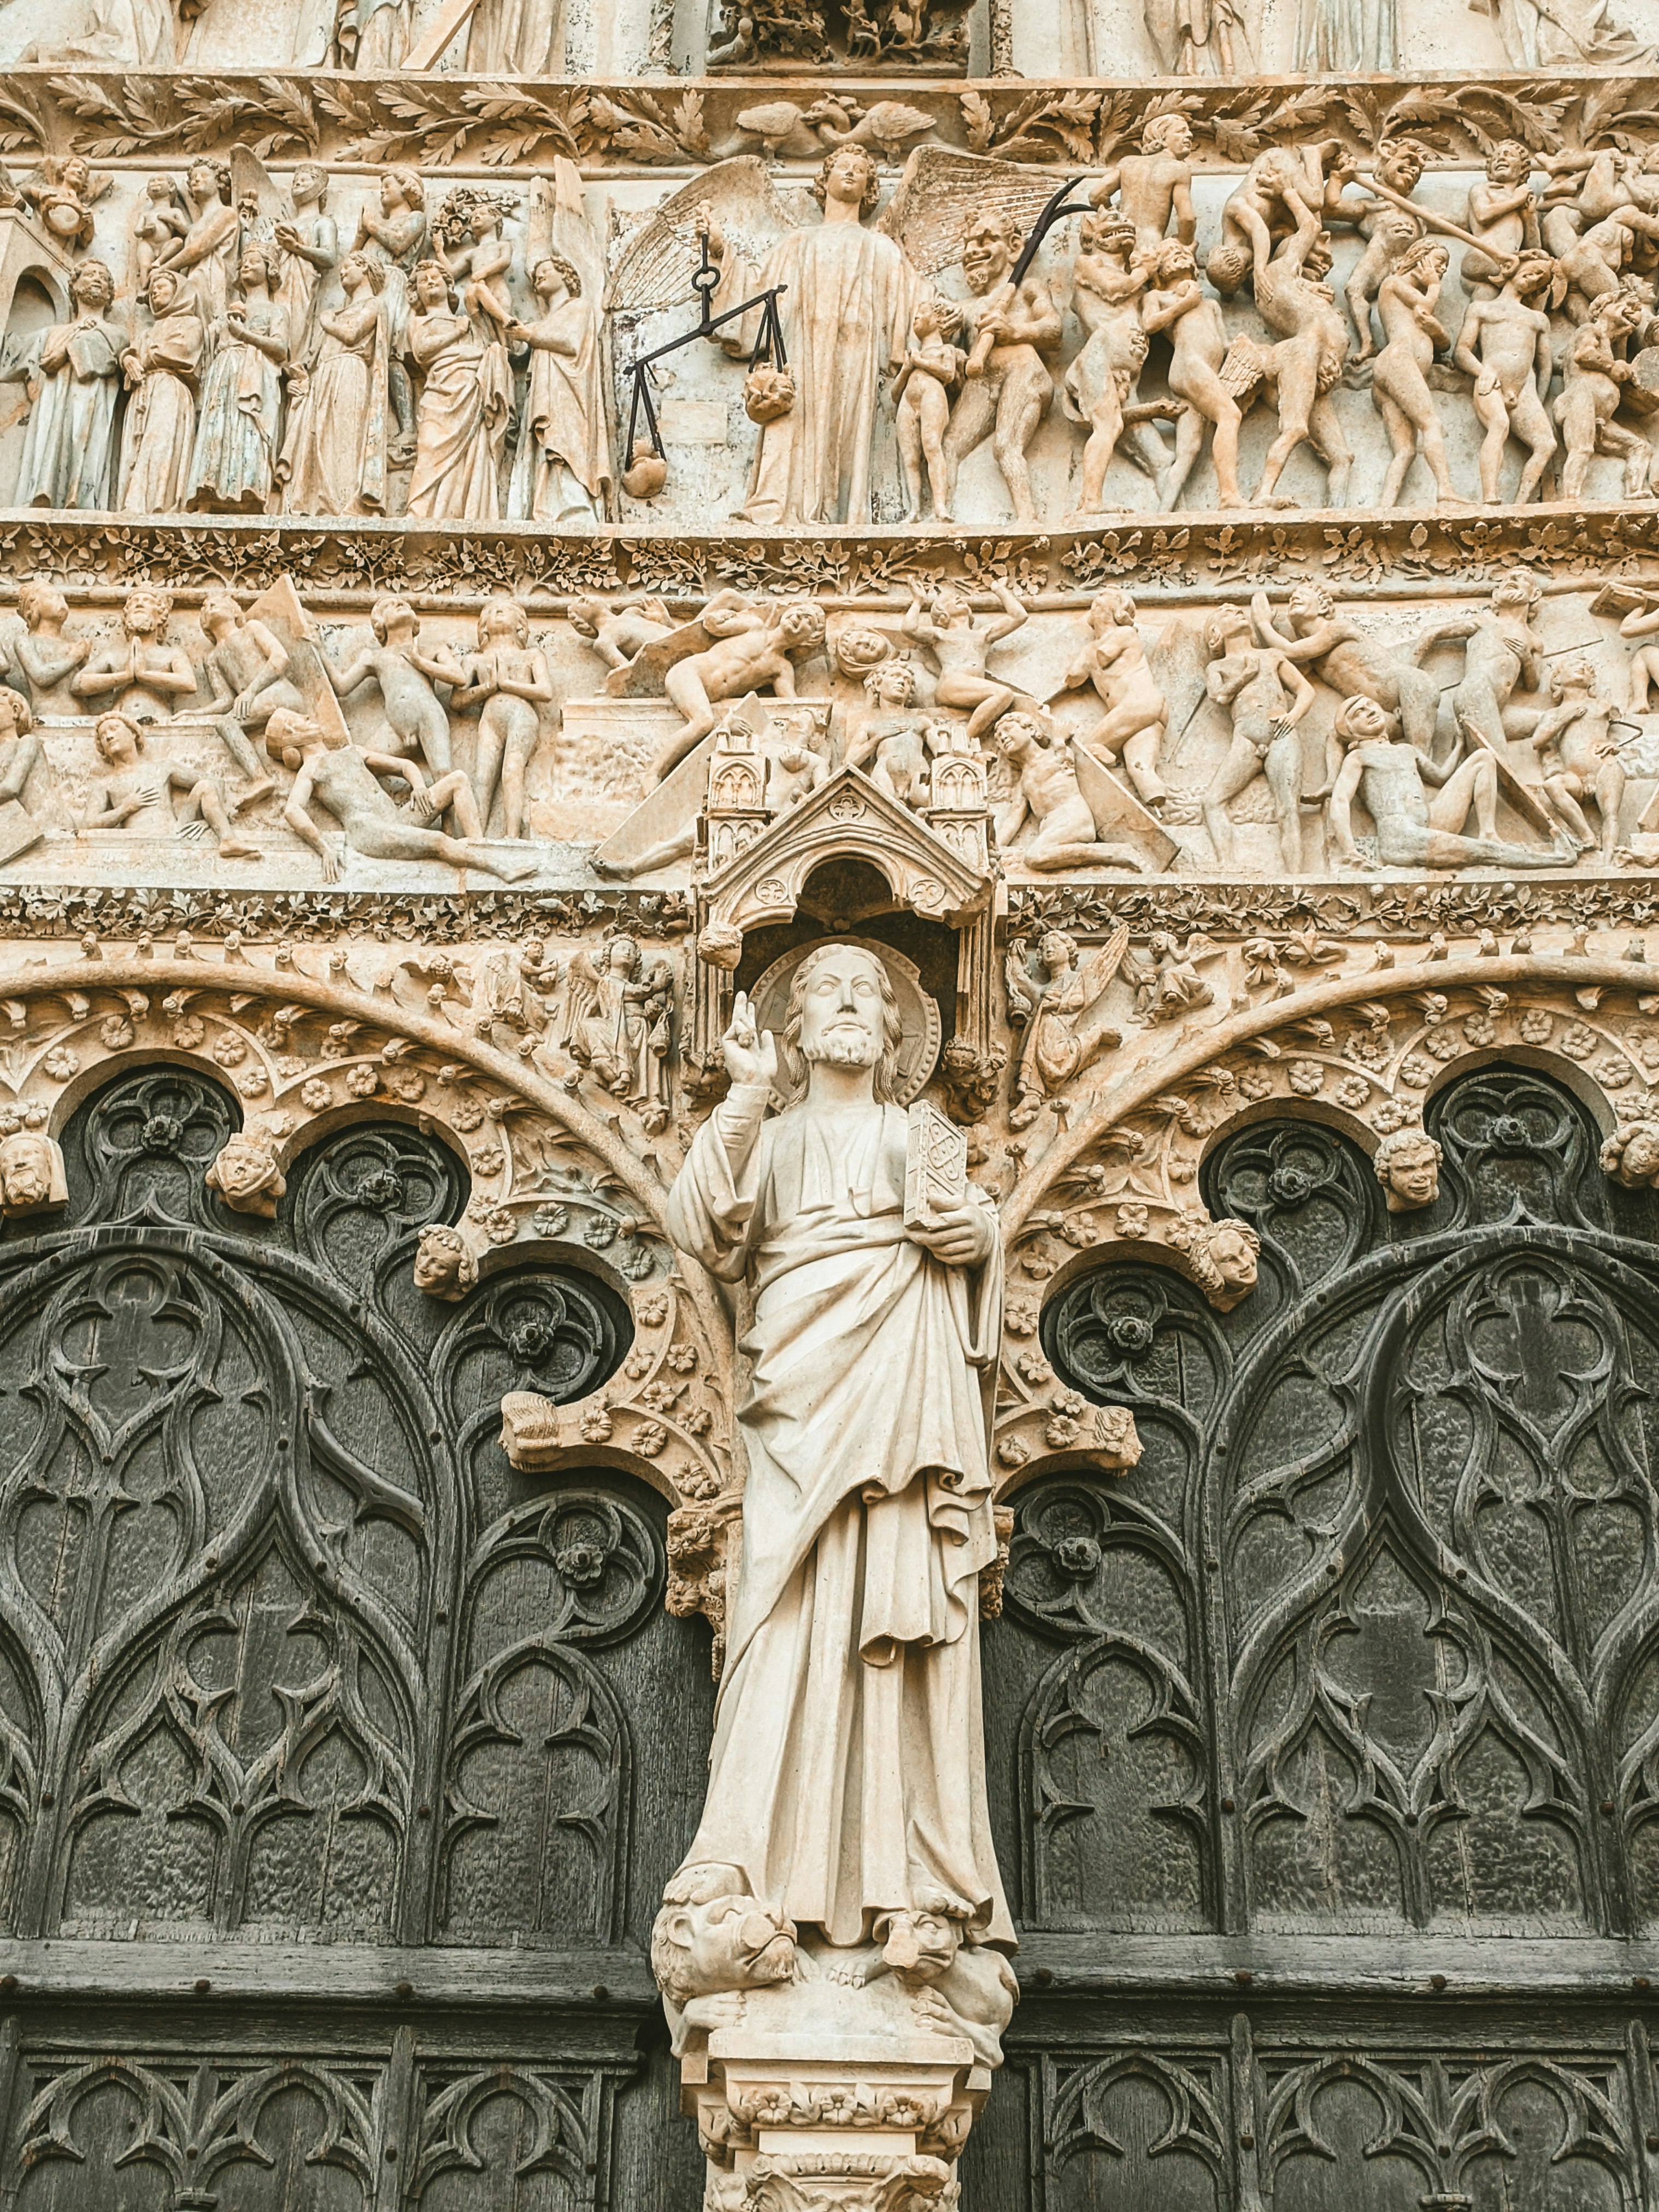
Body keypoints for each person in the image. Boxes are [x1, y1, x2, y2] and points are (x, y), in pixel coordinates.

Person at [662, 945, 1013, 1956]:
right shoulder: (768, 1136)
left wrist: (975, 1241)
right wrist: (740, 1095)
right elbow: (703, 1223)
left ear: (896, 1032)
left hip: (902, 1387)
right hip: (797, 1396)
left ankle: (912, 1872)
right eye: (827, 991)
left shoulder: (921, 1133)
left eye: (871, 991)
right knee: (780, 1604)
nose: (852, 1004)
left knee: (897, 1613)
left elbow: (969, 1230)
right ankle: (742, 1849)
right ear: (796, 1028)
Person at [701, 145, 917, 525]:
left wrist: (954, 316)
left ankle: (840, 516)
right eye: (842, 167)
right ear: (825, 181)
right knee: (793, 418)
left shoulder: (880, 247)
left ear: (869, 188)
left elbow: (917, 301)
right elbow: (757, 298)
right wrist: (720, 251)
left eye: (860, 170)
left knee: (847, 434)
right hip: (801, 348)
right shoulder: (798, 243)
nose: (850, 173)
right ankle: (785, 508)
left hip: (857, 351)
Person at [272, 708, 539, 885]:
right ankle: (501, 869)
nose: (309, 718)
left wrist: (419, 787)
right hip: (369, 830)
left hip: (395, 819)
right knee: (437, 840)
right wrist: (325, 848)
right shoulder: (311, 770)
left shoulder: (351, 752)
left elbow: (405, 766)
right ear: (292, 734)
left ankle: (478, 846)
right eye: (301, 720)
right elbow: (293, 810)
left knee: (457, 780)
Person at [1321, 693, 1572, 870]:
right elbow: (1341, 800)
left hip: (1434, 819)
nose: (1370, 712)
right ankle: (1559, 859)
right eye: (1359, 713)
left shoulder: (1406, 750)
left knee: (1483, 758)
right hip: (1401, 834)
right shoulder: (1358, 757)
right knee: (1482, 853)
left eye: (1370, 706)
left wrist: (1459, 746)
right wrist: (1349, 850)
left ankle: (1489, 831)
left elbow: (1441, 777)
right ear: (1351, 731)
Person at [419, 595, 551, 842]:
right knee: (482, 776)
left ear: (520, 625)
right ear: (483, 627)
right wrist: (488, 688)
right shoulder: (474, 660)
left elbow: (546, 692)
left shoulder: (532, 655)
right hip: (490, 720)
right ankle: (476, 836)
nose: (498, 612)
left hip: (522, 716)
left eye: (506, 610)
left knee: (512, 768)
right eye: (492, 611)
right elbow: (457, 701)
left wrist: (507, 684)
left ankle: (512, 836)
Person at [1198, 604, 1317, 874]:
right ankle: (1226, 864)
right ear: (1215, 632)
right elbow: (1219, 696)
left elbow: (1305, 690)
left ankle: (1295, 879)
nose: (1238, 613)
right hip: (1246, 737)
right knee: (1211, 801)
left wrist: (1294, 716)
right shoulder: (1217, 666)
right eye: (1228, 612)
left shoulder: (1272, 656)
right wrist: (1245, 676)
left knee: (1288, 808)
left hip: (1281, 732)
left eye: (1239, 610)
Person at [0, 258, 122, 510]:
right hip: (50, 407)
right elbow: (9, 355)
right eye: (89, 275)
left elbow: (106, 357)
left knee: (83, 444)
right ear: (75, 287)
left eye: (103, 277)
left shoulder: (116, 333)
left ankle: (81, 501)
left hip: (90, 404)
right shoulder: (50, 334)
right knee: (48, 445)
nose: (97, 279)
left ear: (111, 292)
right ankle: (39, 494)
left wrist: (67, 351)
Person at [278, 251, 390, 516]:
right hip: (324, 376)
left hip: (350, 370)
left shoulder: (374, 305)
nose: (342, 272)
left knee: (344, 436)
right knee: (319, 436)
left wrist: (328, 322)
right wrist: (303, 385)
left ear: (365, 268)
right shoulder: (337, 312)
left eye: (348, 267)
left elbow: (352, 335)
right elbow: (316, 360)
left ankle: (343, 502)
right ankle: (317, 502)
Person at [505, 252, 610, 527]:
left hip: (569, 393)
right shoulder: (542, 323)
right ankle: (544, 505)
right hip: (546, 394)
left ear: (565, 275)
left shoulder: (579, 308)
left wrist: (531, 336)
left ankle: (573, 507)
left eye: (546, 270)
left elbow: (571, 342)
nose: (538, 275)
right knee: (546, 447)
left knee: (565, 445)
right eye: (535, 274)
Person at [1139, 239, 1244, 511]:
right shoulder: (1159, 297)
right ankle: (1229, 496)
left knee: (1189, 450)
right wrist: (1184, 304)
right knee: (1230, 416)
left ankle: (1163, 515)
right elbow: (1149, 324)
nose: (1177, 253)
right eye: (1168, 253)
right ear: (1159, 273)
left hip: (1205, 371)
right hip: (1189, 366)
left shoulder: (1210, 305)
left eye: (1180, 250)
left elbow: (1224, 344)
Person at [188, 243, 291, 514]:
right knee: (217, 428)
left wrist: (244, 335)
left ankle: (250, 492)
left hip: (256, 375)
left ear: (270, 269)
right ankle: (208, 492)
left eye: (255, 261)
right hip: (224, 372)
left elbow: (280, 349)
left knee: (249, 428)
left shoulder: (276, 311)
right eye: (244, 261)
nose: (247, 265)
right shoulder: (228, 313)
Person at [406, 257, 511, 522]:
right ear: (416, 293)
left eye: (436, 277)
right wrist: (456, 333)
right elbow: (421, 351)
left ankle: (468, 512)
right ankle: (420, 512)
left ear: (447, 284)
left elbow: (478, 293)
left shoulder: (468, 321)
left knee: (472, 455)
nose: (430, 281)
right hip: (440, 392)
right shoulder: (418, 322)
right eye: (423, 280)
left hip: (471, 389)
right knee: (430, 446)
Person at [1451, 251, 1558, 505]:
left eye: (1540, 282)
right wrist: (1483, 371)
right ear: (1514, 268)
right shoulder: (1482, 309)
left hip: (1525, 389)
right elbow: (1461, 351)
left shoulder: (1538, 319)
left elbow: (1545, 368)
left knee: (1547, 444)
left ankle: (1520, 505)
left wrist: (1535, 398)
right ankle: (1490, 496)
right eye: (1532, 271)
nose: (1533, 280)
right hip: (1491, 381)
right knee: (1499, 424)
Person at [79, 710, 260, 858]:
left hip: (175, 832)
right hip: (138, 840)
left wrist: (209, 821)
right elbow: (89, 823)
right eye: (103, 736)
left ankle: (227, 840)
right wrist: (125, 808)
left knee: (205, 786)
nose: (109, 736)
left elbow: (215, 782)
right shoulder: (106, 784)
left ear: (133, 733)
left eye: (114, 728)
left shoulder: (162, 767)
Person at [1369, 238, 1468, 508]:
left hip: (1397, 370)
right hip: (1398, 362)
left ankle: (1384, 509)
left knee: (1406, 450)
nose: (1443, 269)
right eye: (1439, 261)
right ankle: (1445, 489)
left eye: (1446, 265)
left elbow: (1443, 342)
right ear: (1420, 258)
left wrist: (1436, 330)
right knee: (1432, 424)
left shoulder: (1410, 304)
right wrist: (1434, 286)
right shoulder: (1393, 283)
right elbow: (1426, 306)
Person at [991, 712, 1150, 873]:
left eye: (1008, 729)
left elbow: (1066, 757)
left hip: (1072, 818)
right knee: (1037, 854)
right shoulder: (1023, 783)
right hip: (1051, 828)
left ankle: (1112, 853)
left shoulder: (1054, 755)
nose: (1003, 737)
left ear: (1032, 729)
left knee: (1034, 856)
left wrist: (1059, 739)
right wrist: (993, 847)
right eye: (998, 738)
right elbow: (1013, 820)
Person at [1061, 589, 1169, 810]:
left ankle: (1107, 761)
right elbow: (1074, 679)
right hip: (1144, 711)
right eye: (1096, 605)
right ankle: (1159, 809)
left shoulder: (1125, 634)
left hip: (1138, 702)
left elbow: (1104, 656)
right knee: (1140, 767)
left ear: (1117, 613)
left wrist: (1086, 654)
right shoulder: (1091, 648)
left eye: (1102, 606)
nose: (1096, 608)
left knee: (1088, 749)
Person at [118, 266, 203, 516]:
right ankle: (131, 503)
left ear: (178, 293)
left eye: (162, 286)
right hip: (142, 390)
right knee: (136, 446)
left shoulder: (191, 323)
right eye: (153, 289)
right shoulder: (148, 331)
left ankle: (157, 504)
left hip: (169, 388)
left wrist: (143, 358)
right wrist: (127, 360)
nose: (156, 291)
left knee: (159, 442)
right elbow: (134, 352)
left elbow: (183, 352)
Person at [902, 581, 1029, 744]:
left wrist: (1000, 589)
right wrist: (918, 601)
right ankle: (966, 740)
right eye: (949, 600)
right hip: (952, 684)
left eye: (958, 597)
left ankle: (966, 738)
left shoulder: (983, 635)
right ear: (942, 615)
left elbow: (1019, 616)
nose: (957, 598)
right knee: (1003, 694)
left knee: (1007, 697)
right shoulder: (941, 634)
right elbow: (909, 629)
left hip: (971, 687)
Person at [892, 297, 964, 523]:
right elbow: (895, 394)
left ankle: (940, 507)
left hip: (933, 394)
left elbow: (948, 374)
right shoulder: (911, 356)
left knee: (932, 447)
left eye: (923, 312)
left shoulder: (946, 349)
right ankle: (914, 510)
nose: (917, 317)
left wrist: (920, 363)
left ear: (938, 320)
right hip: (908, 399)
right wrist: (906, 369)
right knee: (910, 457)